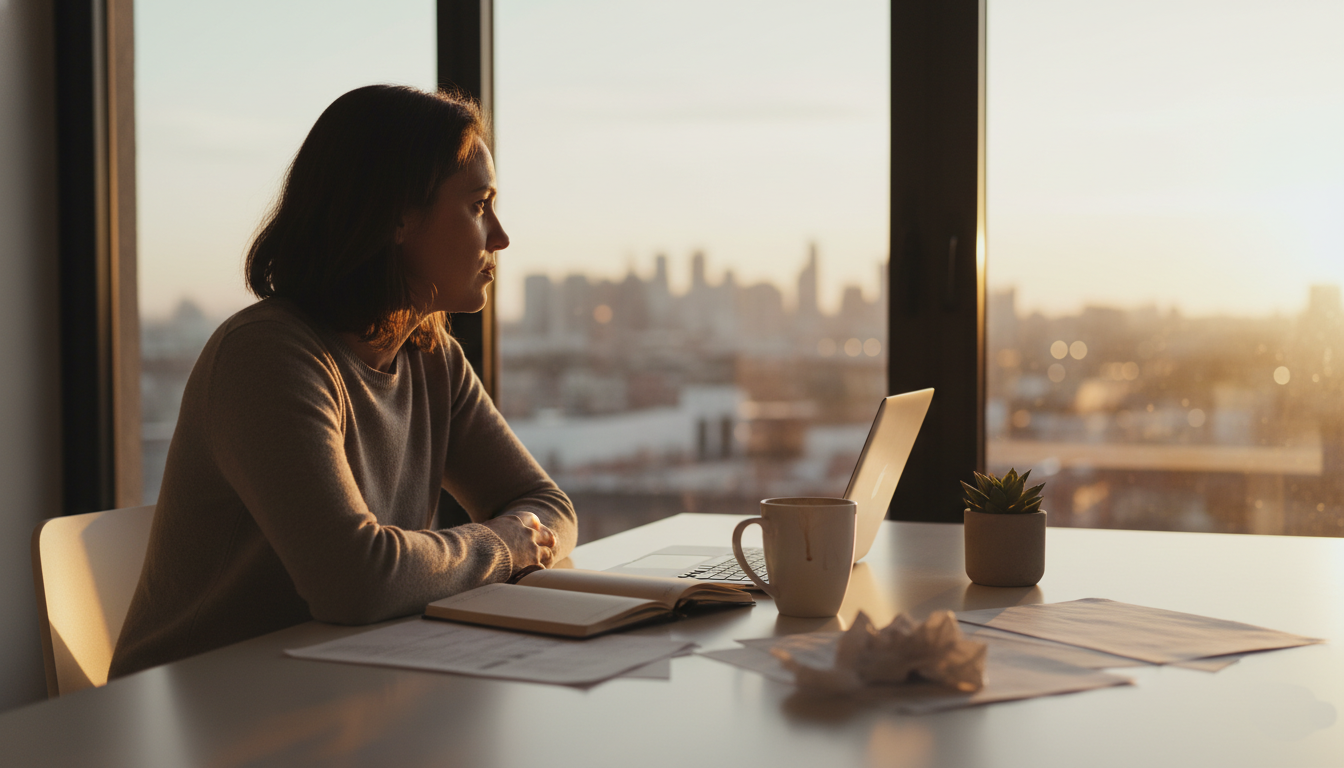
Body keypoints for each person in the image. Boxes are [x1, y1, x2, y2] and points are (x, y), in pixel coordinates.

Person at [110, 85, 576, 678]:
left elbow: (548, 507)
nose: (500, 237)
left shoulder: (433, 359)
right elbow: (354, 580)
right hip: (196, 707)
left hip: (340, 688)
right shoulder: (267, 356)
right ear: (397, 217)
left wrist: (506, 537)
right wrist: (504, 545)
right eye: (479, 205)